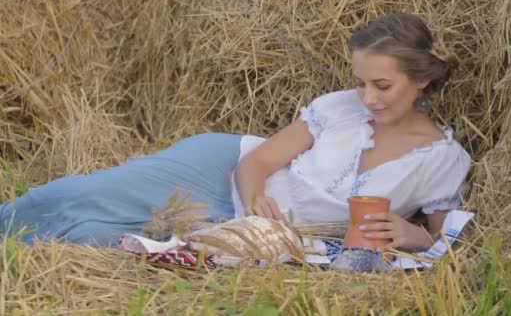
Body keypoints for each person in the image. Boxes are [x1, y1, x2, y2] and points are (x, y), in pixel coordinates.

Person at [0, 13, 471, 251]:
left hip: (260, 239)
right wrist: (258, 197)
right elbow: (259, 161)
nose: (368, 98)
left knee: (92, 238)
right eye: (360, 83)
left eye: (382, 85)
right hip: (222, 173)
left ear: (422, 79)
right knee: (81, 195)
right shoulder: (339, 109)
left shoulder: (443, 160)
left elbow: (440, 242)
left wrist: (416, 237)